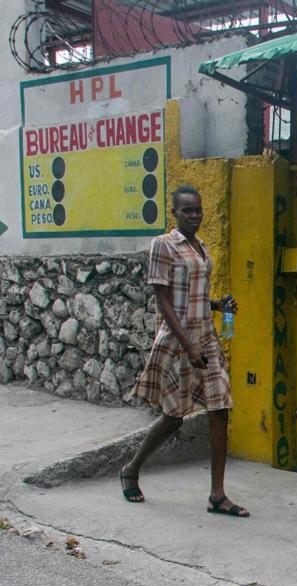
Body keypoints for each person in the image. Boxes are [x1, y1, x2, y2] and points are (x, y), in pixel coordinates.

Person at [119, 185, 247, 518]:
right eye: (187, 210)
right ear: (174, 212)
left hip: (206, 337)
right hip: (178, 342)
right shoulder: (163, 245)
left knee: (220, 409)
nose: (195, 216)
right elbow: (162, 299)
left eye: (198, 210)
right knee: (174, 418)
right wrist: (187, 345)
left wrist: (218, 305)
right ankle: (131, 468)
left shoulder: (202, 248)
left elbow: (192, 295)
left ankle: (217, 495)